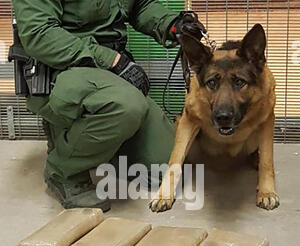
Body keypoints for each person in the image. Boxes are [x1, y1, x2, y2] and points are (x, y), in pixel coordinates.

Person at [12, 0, 203, 211]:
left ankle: (100, 143)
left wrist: (172, 24)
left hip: (110, 73)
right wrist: (112, 60)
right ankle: (63, 171)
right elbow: (39, 34)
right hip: (63, 70)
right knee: (127, 105)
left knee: (164, 169)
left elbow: (140, 5)